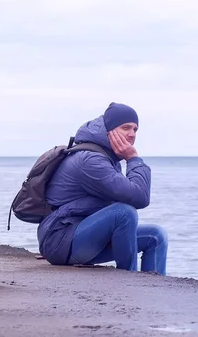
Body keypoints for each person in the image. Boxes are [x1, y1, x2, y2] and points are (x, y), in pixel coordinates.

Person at [37, 102, 168, 275]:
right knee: (124, 213)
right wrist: (133, 159)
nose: (132, 134)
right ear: (109, 129)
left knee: (156, 236)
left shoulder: (106, 157)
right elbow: (140, 197)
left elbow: (134, 194)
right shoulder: (90, 160)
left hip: (83, 237)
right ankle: (130, 280)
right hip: (60, 241)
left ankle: (153, 291)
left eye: (135, 129)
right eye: (126, 127)